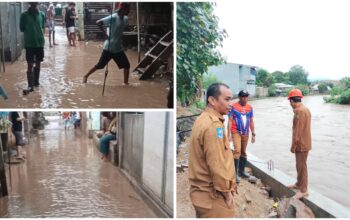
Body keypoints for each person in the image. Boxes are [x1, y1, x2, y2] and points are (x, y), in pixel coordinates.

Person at [188, 83, 236, 218]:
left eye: (231, 99)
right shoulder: (214, 125)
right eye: (227, 99)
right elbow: (217, 164)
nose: (230, 103)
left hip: (201, 195)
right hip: (213, 197)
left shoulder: (203, 119)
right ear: (212, 100)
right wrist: (226, 194)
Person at [83, 3, 130, 85]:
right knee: (100, 66)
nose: (129, 11)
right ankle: (85, 76)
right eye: (128, 9)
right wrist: (105, 34)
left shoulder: (125, 18)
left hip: (118, 48)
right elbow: (98, 22)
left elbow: (122, 29)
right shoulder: (114, 17)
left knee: (126, 66)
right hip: (109, 47)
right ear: (122, 9)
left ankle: (126, 83)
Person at [287, 89, 312, 199]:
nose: (290, 104)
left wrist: (293, 146)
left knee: (302, 166)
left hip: (301, 144)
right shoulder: (305, 109)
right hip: (304, 143)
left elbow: (298, 131)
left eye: (290, 101)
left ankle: (304, 190)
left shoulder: (299, 111)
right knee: (299, 165)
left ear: (292, 101)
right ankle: (298, 184)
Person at [228, 90, 256, 183]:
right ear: (239, 97)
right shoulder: (233, 106)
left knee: (243, 152)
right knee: (237, 151)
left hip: (246, 133)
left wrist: (253, 134)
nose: (245, 98)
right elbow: (230, 120)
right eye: (243, 96)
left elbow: (251, 121)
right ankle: (235, 174)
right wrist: (229, 134)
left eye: (246, 96)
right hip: (236, 131)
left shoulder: (250, 108)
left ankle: (241, 171)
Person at [19, 2, 46, 95]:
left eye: (36, 3)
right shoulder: (24, 15)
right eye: (32, 4)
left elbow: (42, 27)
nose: (34, 5)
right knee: (30, 64)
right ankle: (30, 86)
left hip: (40, 43)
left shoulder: (42, 14)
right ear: (30, 4)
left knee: (38, 63)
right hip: (30, 44)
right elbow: (22, 28)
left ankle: (36, 82)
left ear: (37, 4)